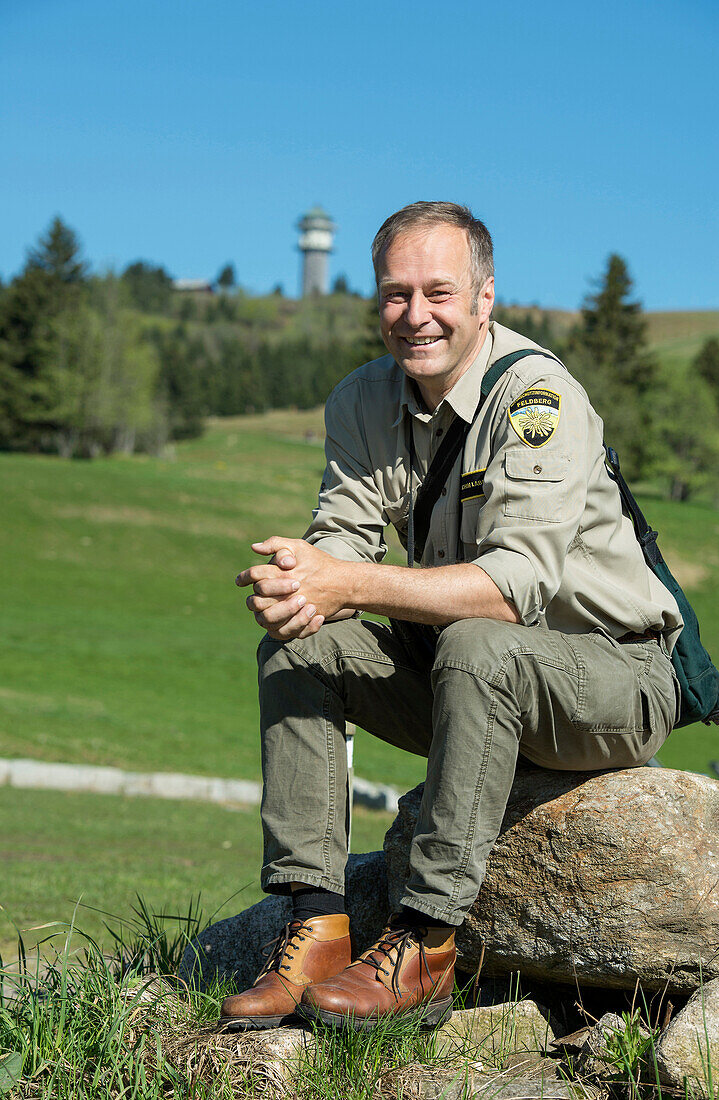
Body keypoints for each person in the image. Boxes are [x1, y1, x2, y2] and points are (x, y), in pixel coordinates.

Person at [219, 202, 682, 1033]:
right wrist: (298, 582)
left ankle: (426, 943)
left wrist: (344, 579)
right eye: (396, 294)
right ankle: (318, 927)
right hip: (471, 680)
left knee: (480, 641)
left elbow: (515, 589)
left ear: (485, 297)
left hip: (612, 679)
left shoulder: (539, 399)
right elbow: (342, 546)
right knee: (300, 646)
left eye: (439, 291)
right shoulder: (361, 399)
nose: (416, 314)